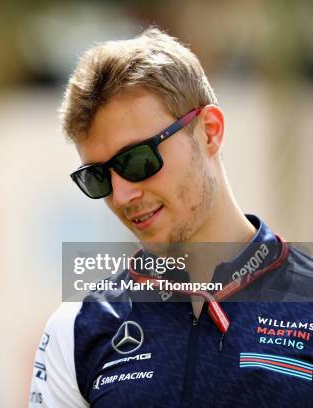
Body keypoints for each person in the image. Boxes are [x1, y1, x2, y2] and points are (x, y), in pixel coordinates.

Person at [29, 27, 313, 407]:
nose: (122, 195)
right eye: (98, 177)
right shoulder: (77, 328)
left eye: (137, 160)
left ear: (209, 132)